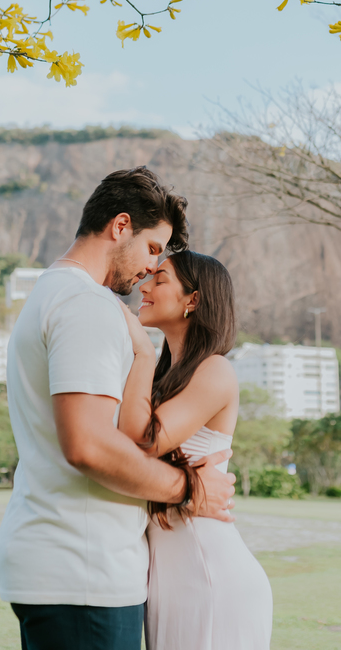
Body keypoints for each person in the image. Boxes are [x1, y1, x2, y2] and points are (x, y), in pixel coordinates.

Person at [0, 167, 237, 650]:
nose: (150, 268)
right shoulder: (87, 305)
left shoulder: (53, 294)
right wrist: (190, 488)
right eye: (152, 249)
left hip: (73, 564)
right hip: (84, 570)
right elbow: (87, 445)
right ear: (120, 226)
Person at [118, 250, 273, 650]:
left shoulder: (216, 369)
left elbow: (142, 439)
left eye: (160, 278)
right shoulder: (162, 377)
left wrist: (144, 352)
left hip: (211, 578)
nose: (143, 285)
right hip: (169, 579)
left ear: (194, 300)